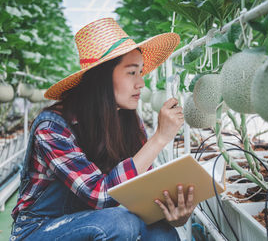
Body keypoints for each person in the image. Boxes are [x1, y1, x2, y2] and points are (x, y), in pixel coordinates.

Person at [10, 18, 195, 240]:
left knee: (162, 233)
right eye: (131, 72)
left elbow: (140, 194)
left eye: (141, 72)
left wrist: (173, 214)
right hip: (40, 229)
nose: (141, 83)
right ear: (103, 79)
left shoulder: (128, 121)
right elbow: (100, 195)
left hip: (94, 221)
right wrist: (159, 138)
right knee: (118, 223)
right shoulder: (52, 128)